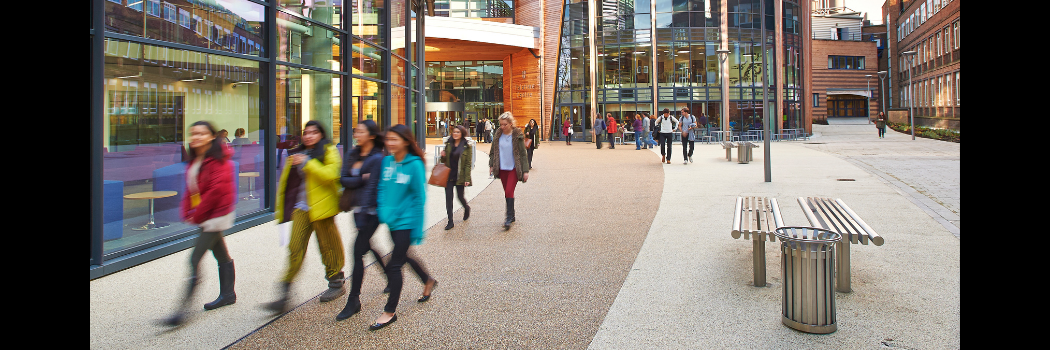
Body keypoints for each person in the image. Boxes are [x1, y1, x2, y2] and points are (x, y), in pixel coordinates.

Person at [264, 121, 346, 315]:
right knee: (295, 247)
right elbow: (288, 182)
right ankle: (284, 293)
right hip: (301, 208)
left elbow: (330, 175)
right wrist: (282, 206)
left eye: (313, 132)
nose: (308, 136)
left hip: (323, 207)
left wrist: (308, 163)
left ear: (321, 134)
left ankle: (336, 282)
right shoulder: (296, 153)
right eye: (306, 133)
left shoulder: (328, 151)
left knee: (328, 245)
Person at [161, 121, 237, 326]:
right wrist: (187, 209)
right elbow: (192, 189)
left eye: (201, 134)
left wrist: (197, 215)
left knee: (194, 259)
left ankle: (180, 313)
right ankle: (228, 294)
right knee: (221, 254)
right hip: (206, 214)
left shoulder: (219, 160)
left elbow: (215, 192)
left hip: (217, 214)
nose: (196, 137)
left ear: (212, 136)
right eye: (193, 134)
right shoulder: (197, 159)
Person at [370, 124, 438, 331]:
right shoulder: (387, 161)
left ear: (406, 141)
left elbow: (420, 198)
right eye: (388, 139)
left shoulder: (414, 164)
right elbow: (382, 187)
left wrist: (417, 230)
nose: (390, 143)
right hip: (392, 221)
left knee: (394, 265)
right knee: (404, 256)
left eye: (395, 139)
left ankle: (389, 311)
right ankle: (428, 281)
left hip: (407, 223)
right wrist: (384, 211)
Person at [336, 120, 390, 321]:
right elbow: (343, 179)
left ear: (372, 135)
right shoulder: (353, 153)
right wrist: (361, 178)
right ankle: (390, 277)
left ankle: (354, 300)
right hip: (357, 208)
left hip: (372, 211)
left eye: (360, 131)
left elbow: (374, 186)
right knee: (366, 246)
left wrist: (360, 180)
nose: (356, 134)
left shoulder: (378, 157)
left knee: (357, 250)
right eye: (355, 130)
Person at [490, 112, 531, 230]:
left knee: (509, 190)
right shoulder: (498, 135)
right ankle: (512, 215)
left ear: (511, 124)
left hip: (513, 168)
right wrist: (491, 165)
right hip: (502, 168)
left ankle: (507, 218)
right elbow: (493, 151)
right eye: (501, 124)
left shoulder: (517, 135)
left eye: (505, 125)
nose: (502, 127)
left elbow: (523, 154)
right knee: (507, 192)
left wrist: (525, 170)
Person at [440, 125, 473, 230]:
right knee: (448, 198)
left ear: (462, 133)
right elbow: (443, 161)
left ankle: (466, 208)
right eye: (454, 132)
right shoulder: (448, 144)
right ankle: (450, 221)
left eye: (458, 132)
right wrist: (443, 156)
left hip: (460, 176)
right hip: (448, 175)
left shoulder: (467, 147)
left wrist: (467, 178)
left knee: (460, 197)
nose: (455, 134)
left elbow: (468, 164)